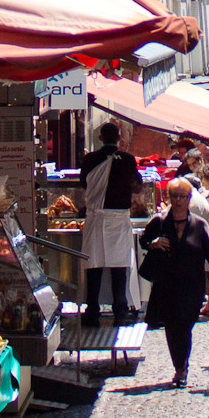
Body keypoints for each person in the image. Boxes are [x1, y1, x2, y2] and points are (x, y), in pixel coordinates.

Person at [139, 178, 209, 388]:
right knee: (174, 326)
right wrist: (153, 243)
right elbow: (143, 240)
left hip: (192, 286)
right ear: (169, 198)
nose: (178, 200)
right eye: (174, 196)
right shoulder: (159, 221)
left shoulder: (199, 225)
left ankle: (182, 364)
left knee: (186, 325)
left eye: (182, 196)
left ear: (189, 198)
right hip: (167, 284)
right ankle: (180, 368)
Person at [79, 120, 141, 327]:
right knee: (119, 266)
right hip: (118, 217)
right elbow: (137, 185)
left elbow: (83, 183)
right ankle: (120, 311)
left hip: (96, 217)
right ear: (119, 138)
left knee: (94, 266)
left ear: (99, 138)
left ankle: (92, 311)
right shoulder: (128, 160)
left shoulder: (89, 159)